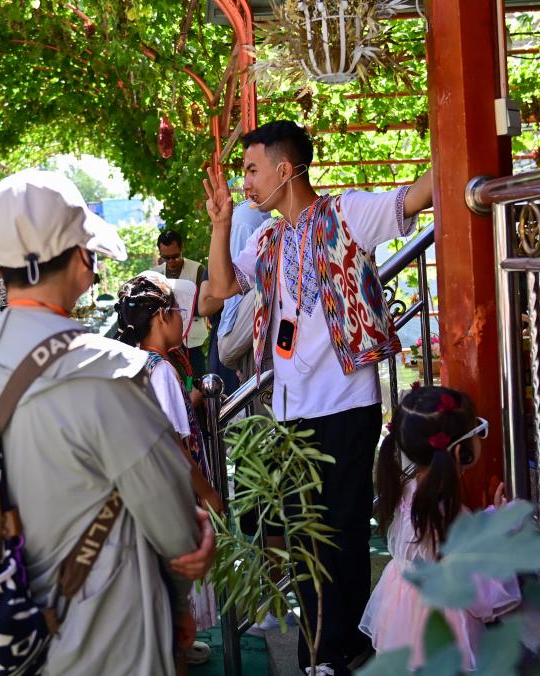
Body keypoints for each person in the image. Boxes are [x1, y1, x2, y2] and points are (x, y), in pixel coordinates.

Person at [204, 120, 434, 675]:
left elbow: (417, 196)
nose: (245, 183)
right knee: (303, 534)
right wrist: (220, 224)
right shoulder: (266, 239)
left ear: (285, 170)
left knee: (344, 529)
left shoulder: (347, 213)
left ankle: (341, 649)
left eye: (252, 170)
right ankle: (318, 649)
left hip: (348, 402)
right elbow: (217, 293)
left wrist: (457, 139)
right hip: (290, 410)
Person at [0, 169, 215, 676]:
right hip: (112, 630)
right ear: (80, 258)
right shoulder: (107, 368)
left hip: (14, 618)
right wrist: (186, 581)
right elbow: (174, 525)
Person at [362, 385, 520, 671]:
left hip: (403, 611)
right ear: (461, 451)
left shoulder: (410, 490)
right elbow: (473, 581)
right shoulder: (443, 511)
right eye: (479, 430)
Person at [114, 272, 223, 666]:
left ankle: (174, 643)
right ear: (161, 317)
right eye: (178, 312)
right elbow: (173, 443)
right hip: (174, 492)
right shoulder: (160, 370)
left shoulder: (134, 363)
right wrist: (208, 493)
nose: (183, 319)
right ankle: (175, 648)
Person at [198, 198, 270, 391]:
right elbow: (205, 304)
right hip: (229, 344)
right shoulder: (223, 262)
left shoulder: (272, 247)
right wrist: (238, 290)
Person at [152, 230, 208, 380]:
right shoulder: (155, 274)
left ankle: (195, 393)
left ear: (182, 248)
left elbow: (202, 306)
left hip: (192, 341)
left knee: (194, 379)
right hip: (167, 342)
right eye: (166, 258)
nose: (171, 261)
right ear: (160, 253)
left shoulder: (198, 270)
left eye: (175, 256)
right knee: (173, 380)